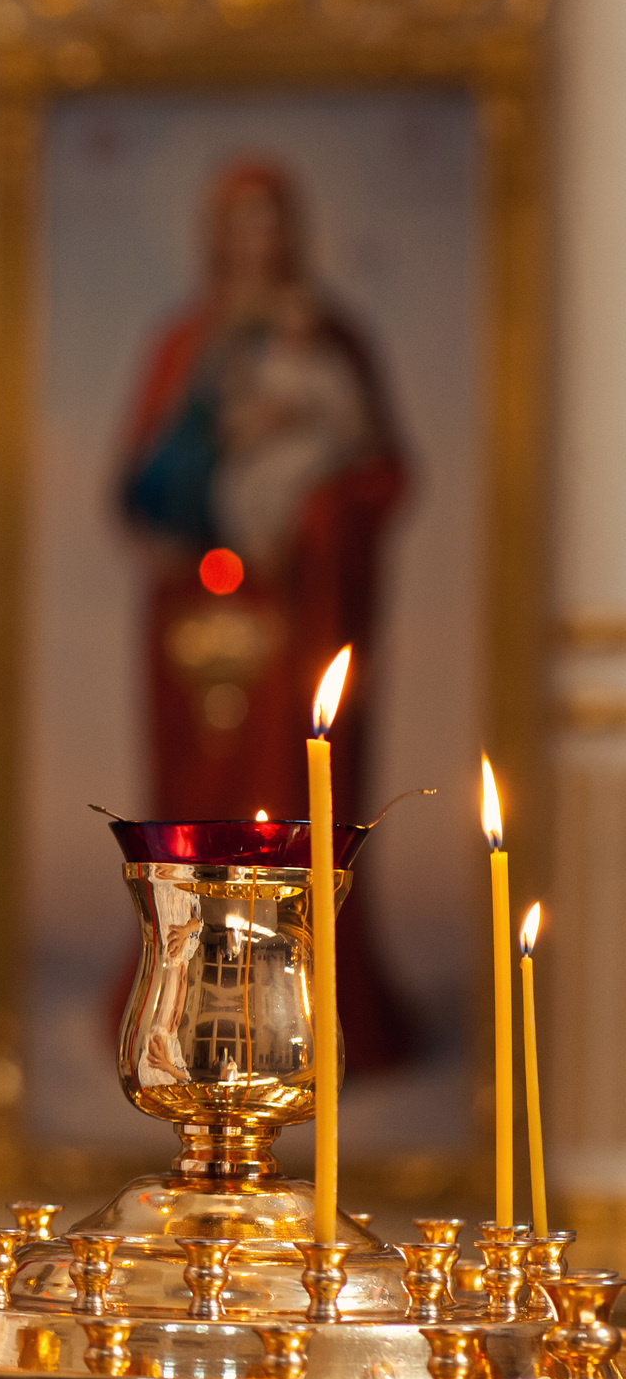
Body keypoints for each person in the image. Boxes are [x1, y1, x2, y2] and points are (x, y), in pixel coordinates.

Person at [116, 157, 415, 1068]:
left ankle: (313, 1018)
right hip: (202, 628)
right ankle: (193, 1016)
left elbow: (379, 473)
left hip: (304, 618)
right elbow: (142, 488)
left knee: (294, 807)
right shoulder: (186, 347)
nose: (257, 245)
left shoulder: (334, 341)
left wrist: (315, 505)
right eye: (238, 227)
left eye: (270, 224)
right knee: (202, 814)